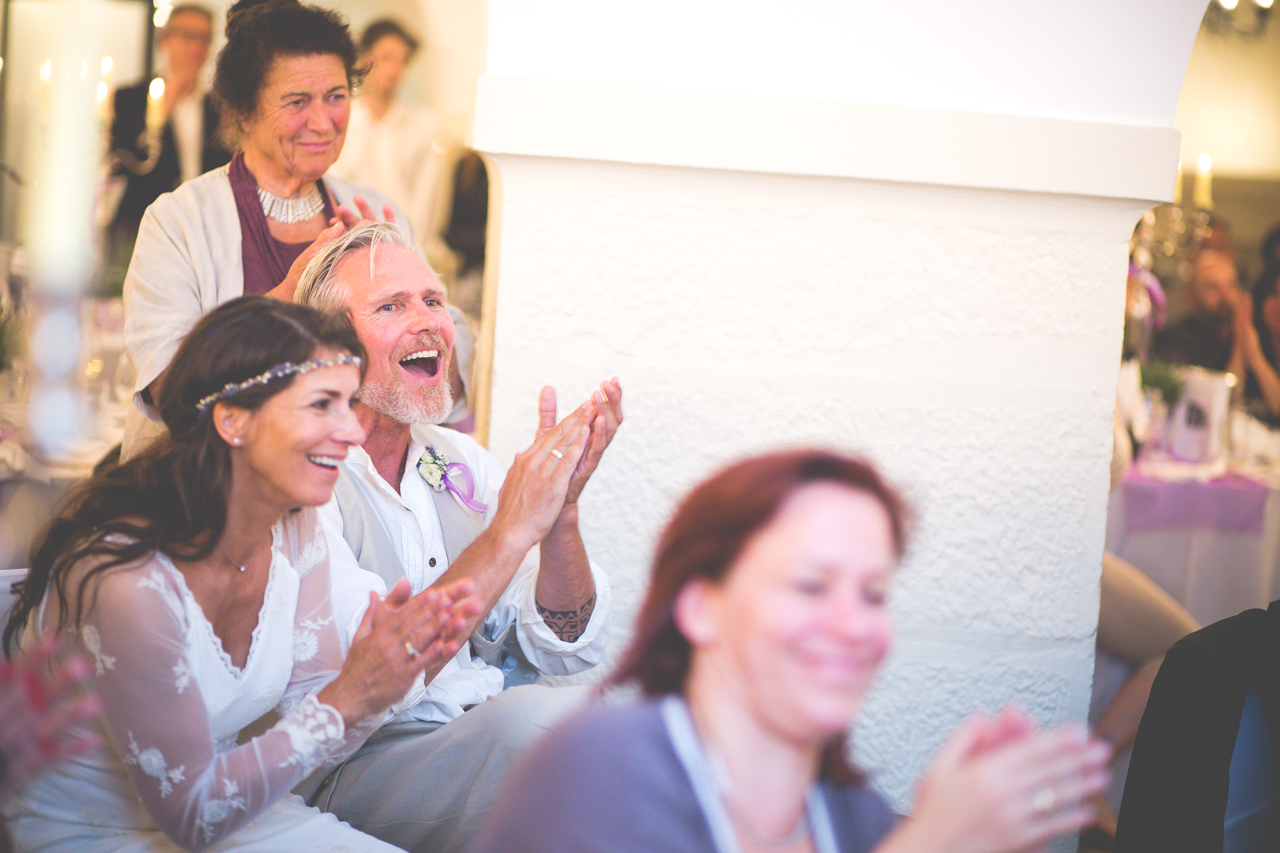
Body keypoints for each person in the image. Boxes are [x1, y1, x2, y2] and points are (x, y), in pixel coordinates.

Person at [1, 297, 480, 852]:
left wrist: (382, 676)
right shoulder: (130, 580)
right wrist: (352, 693)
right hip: (99, 832)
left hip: (246, 808)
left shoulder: (296, 529)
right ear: (232, 421)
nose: (352, 431)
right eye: (322, 405)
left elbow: (317, 718)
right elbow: (193, 817)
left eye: (349, 403)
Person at [474, 449, 1111, 853]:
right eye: (810, 585)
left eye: (873, 594)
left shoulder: (859, 822)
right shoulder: (596, 770)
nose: (853, 625)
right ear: (700, 608)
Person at [292, 222, 622, 853]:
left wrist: (560, 516)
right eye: (391, 306)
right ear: (329, 348)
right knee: (546, 733)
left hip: (477, 733)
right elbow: (369, 684)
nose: (427, 322)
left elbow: (566, 644)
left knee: (604, 729)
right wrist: (511, 529)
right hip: (350, 764)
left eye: (433, 300)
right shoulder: (303, 477)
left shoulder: (458, 457)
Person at [121, 0, 438, 455]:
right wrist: (287, 295)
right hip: (212, 480)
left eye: (336, 96)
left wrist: (397, 294)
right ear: (244, 111)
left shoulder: (379, 215)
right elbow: (168, 390)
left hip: (353, 481)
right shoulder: (177, 222)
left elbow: (442, 360)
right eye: (297, 102)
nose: (322, 122)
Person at [105, 3, 232, 279]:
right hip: (140, 228)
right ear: (164, 40)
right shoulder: (130, 98)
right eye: (188, 36)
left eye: (204, 39)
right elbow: (118, 163)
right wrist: (162, 111)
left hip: (203, 233)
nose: (196, 47)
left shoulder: (218, 109)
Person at [328, 18, 446, 260]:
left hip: (407, 249)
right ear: (363, 58)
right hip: (346, 249)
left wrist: (406, 254)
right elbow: (332, 190)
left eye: (402, 61)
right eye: (387, 57)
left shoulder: (423, 127)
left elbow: (428, 204)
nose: (394, 69)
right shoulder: (340, 122)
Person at [1151, 249, 1243, 371]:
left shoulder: (1248, 334)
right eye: (1212, 287)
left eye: (1231, 285)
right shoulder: (1174, 340)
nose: (1226, 296)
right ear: (1190, 294)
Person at [1232, 264, 1280, 423]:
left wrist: (1256, 359)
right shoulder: (1249, 338)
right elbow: (1226, 399)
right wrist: (1241, 340)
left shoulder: (1255, 351)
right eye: (1274, 294)